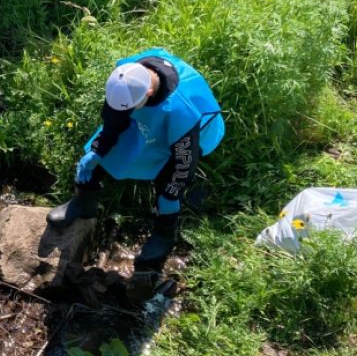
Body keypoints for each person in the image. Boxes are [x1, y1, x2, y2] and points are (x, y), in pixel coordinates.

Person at [47, 48, 224, 272]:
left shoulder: (181, 109)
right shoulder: (126, 76)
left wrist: (171, 192)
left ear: (149, 92)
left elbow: (184, 164)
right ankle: (84, 203)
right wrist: (96, 152)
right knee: (98, 153)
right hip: (149, 117)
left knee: (167, 184)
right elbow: (112, 121)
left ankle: (164, 234)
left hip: (190, 133)